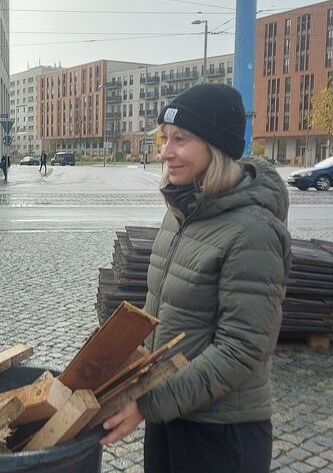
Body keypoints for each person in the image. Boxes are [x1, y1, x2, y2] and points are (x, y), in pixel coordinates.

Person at [100, 84, 291, 473]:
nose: (165, 151)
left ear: (215, 148)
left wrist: (148, 402)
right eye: (164, 138)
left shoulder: (253, 231)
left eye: (181, 140)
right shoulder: (181, 212)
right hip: (172, 416)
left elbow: (242, 349)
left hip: (221, 433)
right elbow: (161, 315)